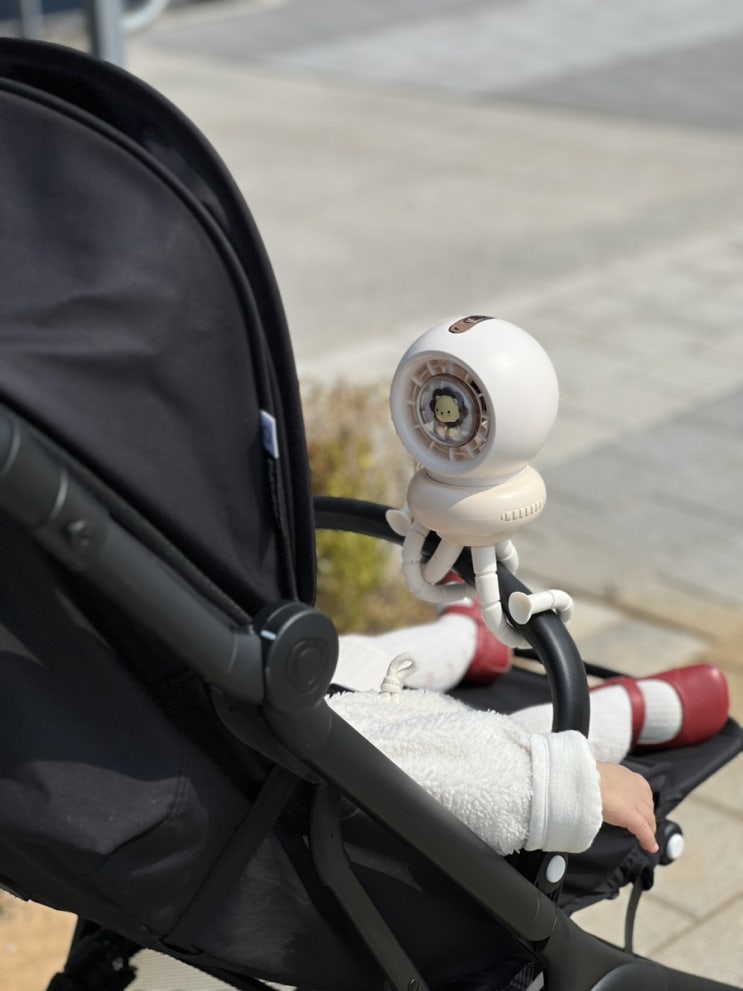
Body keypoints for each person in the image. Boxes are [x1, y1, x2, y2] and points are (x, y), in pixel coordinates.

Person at [330, 599, 730, 858]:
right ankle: (621, 711)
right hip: (358, 772)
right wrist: (577, 783)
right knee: (512, 748)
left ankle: (463, 638)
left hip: (328, 708)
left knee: (343, 662)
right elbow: (465, 779)